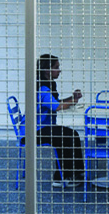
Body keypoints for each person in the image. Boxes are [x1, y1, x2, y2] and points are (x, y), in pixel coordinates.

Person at [36, 54, 85, 187]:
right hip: (35, 131)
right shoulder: (42, 88)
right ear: (47, 70)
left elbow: (55, 102)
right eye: (56, 67)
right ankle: (62, 178)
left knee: (72, 134)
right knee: (65, 137)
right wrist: (73, 101)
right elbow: (56, 107)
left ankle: (77, 171)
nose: (59, 70)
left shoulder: (49, 84)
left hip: (44, 126)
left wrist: (72, 98)